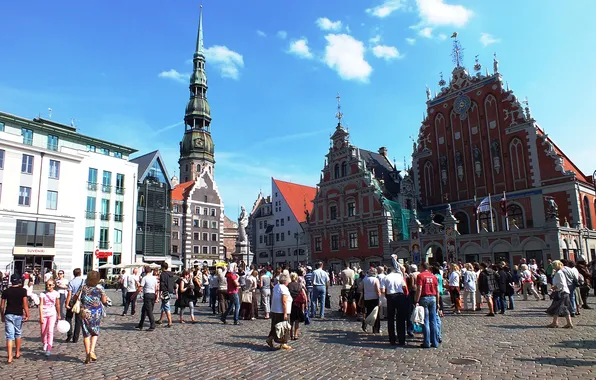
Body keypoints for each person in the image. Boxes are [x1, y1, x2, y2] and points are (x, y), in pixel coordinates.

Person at [79, 270, 108, 364]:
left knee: (86, 333)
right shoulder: (100, 288)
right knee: (95, 332)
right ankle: (92, 351)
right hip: (96, 312)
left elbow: (76, 297)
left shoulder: (83, 287)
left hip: (85, 312)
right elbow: (104, 301)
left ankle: (87, 353)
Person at [1, 274, 29, 364]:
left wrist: (2, 315)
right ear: (19, 281)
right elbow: (25, 304)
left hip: (8, 313)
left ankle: (9, 357)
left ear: (11, 281)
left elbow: (2, 306)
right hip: (18, 314)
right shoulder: (23, 291)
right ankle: (17, 352)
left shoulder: (6, 291)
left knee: (9, 336)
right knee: (18, 333)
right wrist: (27, 314)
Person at [384, 255, 409, 346]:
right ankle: (401, 339)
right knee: (401, 318)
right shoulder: (399, 276)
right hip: (400, 296)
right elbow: (404, 287)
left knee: (390, 319)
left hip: (390, 296)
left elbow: (384, 290)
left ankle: (392, 339)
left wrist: (387, 295)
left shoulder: (386, 277)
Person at [414, 262, 440, 349]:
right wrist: (438, 302)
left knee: (425, 321)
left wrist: (416, 300)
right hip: (433, 298)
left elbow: (419, 288)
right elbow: (437, 291)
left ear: (422, 267)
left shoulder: (420, 276)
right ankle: (435, 342)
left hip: (424, 298)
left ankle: (427, 342)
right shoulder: (434, 276)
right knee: (433, 321)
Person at [266, 273, 292, 350]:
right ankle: (283, 343)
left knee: (275, 326)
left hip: (275, 310)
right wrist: (285, 313)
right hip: (281, 311)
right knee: (283, 327)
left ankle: (270, 339)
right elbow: (284, 301)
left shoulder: (276, 286)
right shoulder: (284, 288)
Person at [546, 260, 573, 328]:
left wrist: (554, 288)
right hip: (562, 292)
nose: (552, 266)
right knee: (560, 308)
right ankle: (557, 322)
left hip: (561, 292)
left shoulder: (559, 273)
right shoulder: (558, 272)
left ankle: (558, 323)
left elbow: (561, 284)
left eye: (553, 265)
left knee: (559, 307)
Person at [39, 279, 60, 357]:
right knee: (43, 331)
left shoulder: (56, 294)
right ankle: (44, 343)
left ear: (54, 285)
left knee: (50, 331)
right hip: (44, 314)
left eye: (50, 285)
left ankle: (49, 348)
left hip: (52, 314)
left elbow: (57, 305)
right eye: (47, 284)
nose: (48, 286)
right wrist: (41, 316)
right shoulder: (42, 294)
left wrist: (59, 314)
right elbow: (41, 305)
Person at [136, 266, 158, 331]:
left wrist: (135, 294)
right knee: (144, 310)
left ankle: (152, 325)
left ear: (145, 271)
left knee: (149, 310)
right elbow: (156, 288)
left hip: (147, 295)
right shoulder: (154, 278)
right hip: (153, 294)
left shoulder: (144, 278)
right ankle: (141, 324)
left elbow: (141, 287)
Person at [65, 268, 85, 343]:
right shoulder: (84, 282)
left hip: (72, 301)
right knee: (78, 320)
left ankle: (69, 334)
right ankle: (75, 338)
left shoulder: (71, 282)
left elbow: (69, 294)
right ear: (80, 273)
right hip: (80, 302)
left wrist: (67, 303)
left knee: (68, 318)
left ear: (74, 274)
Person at [360, 268, 381, 334]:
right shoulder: (375, 279)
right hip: (374, 298)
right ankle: (375, 329)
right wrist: (379, 297)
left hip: (367, 298)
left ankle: (365, 322)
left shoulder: (365, 279)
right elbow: (377, 289)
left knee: (368, 313)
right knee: (375, 314)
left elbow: (361, 288)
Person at [288, 272, 307, 340]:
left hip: (290, 304)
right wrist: (304, 307)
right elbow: (303, 297)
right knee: (297, 320)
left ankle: (291, 334)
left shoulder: (288, 285)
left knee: (291, 321)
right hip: (298, 304)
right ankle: (296, 334)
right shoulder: (299, 285)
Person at [158, 263, 174, 327]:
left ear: (162, 267)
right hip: (170, 291)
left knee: (167, 307)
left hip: (165, 292)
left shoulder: (163, 274)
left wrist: (160, 293)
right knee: (163, 306)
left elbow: (162, 284)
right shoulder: (171, 274)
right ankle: (160, 320)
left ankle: (170, 322)